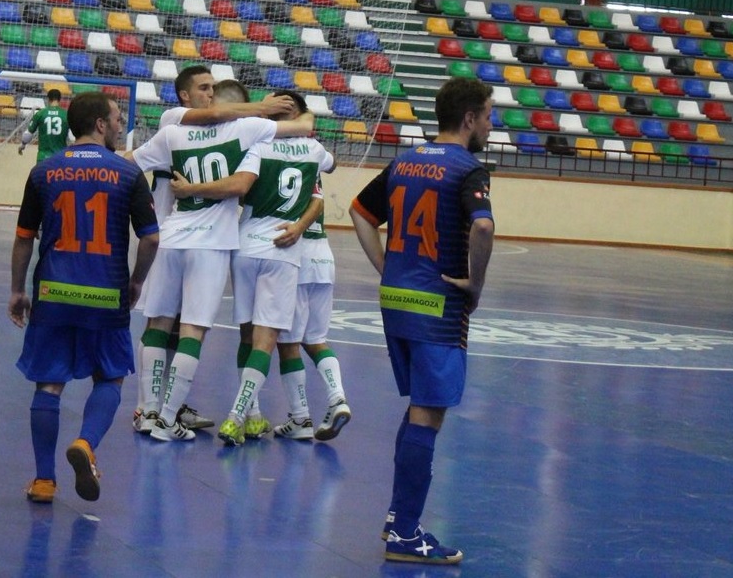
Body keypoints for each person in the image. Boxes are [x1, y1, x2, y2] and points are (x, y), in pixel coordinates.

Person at [348, 78, 495, 565]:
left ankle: (398, 518)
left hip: (396, 298)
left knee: (418, 408)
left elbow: (359, 212)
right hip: (438, 307)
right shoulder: (470, 170)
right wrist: (474, 284)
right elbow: (483, 225)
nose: (491, 125)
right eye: (489, 115)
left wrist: (384, 265)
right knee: (430, 413)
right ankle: (406, 533)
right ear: (470, 118)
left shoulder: (405, 160)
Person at [9, 92, 159, 504]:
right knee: (110, 376)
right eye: (115, 119)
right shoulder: (127, 173)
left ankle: (43, 481)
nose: (119, 125)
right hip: (105, 291)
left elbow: (24, 238)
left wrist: (18, 290)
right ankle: (86, 445)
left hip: (54, 292)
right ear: (99, 124)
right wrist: (135, 282)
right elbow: (151, 238)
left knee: (49, 384)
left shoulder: (44, 172)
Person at [130, 65, 297, 436]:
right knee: (191, 330)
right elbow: (299, 129)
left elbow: (127, 164)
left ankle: (149, 410)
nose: (208, 95)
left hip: (171, 236)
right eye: (203, 88)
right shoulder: (245, 130)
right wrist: (268, 109)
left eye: (212, 90)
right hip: (210, 243)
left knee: (158, 324)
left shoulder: (171, 132)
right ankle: (167, 419)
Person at [168, 90, 332, 446]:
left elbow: (240, 189)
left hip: (245, 245)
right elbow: (320, 183)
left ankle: (253, 416)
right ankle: (236, 416)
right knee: (266, 340)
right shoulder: (314, 151)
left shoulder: (255, 146)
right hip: (283, 248)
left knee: (246, 334)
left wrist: (191, 188)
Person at [273, 198, 350, 442]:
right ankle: (337, 397)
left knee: (288, 343)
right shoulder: (314, 165)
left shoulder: (285, 163)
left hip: (298, 258)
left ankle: (300, 417)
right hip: (324, 259)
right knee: (316, 339)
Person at [19, 89, 70, 164]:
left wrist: (23, 145)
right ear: (60, 99)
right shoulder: (66, 115)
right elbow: (72, 137)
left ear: (48, 99)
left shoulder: (40, 113)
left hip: (43, 157)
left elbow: (28, 134)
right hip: (60, 157)